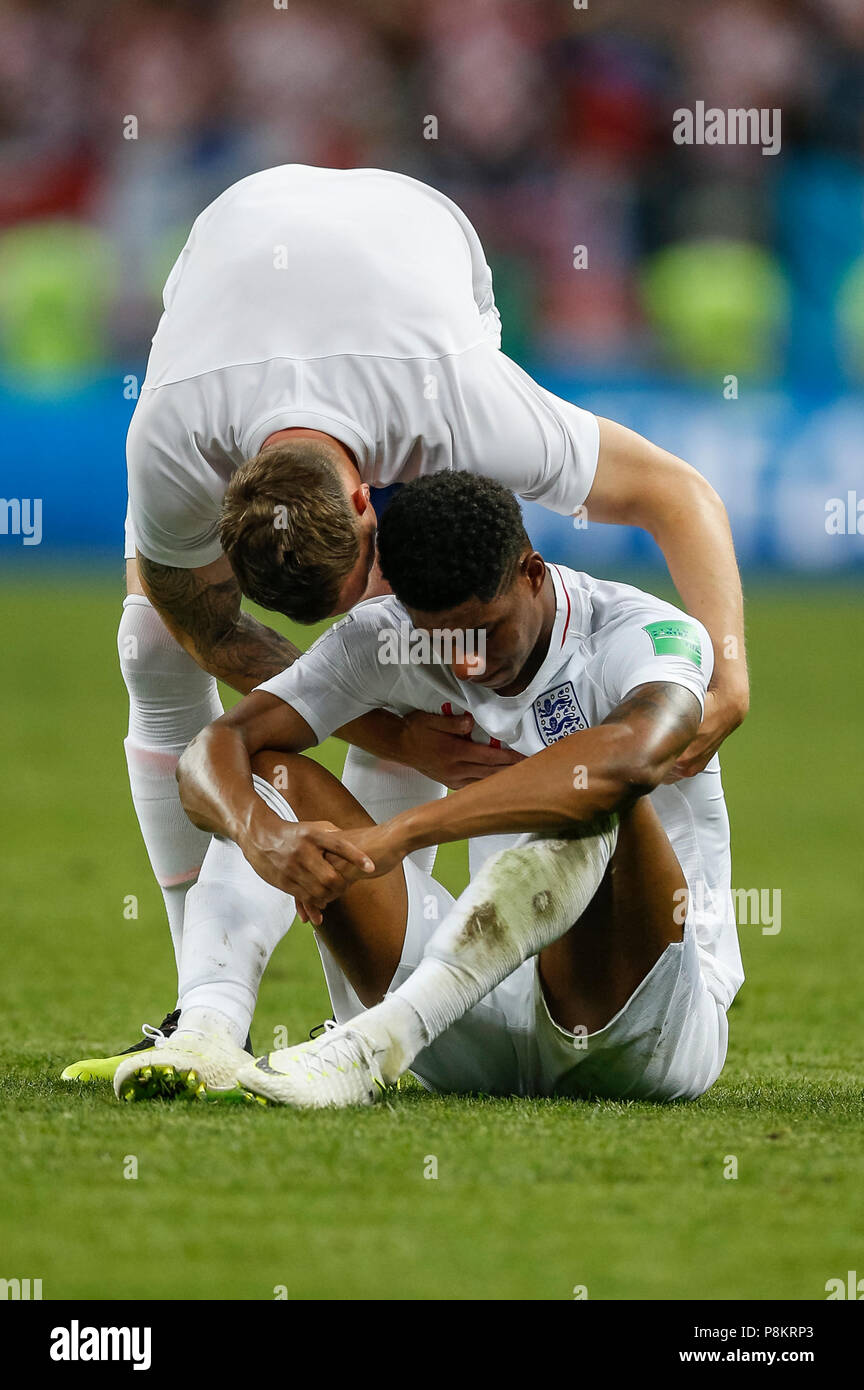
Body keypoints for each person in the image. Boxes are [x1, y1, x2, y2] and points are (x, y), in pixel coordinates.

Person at [66, 163, 747, 1081]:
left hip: (415, 256)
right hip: (226, 265)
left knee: (418, 619)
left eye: (359, 579)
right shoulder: (173, 439)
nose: (361, 623)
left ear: (365, 497)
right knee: (151, 641)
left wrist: (730, 669)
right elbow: (208, 639)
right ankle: (204, 1013)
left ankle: (379, 1012)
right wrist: (383, 725)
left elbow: (675, 491)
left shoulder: (458, 403)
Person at [113, 473, 743, 1108]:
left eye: (487, 630)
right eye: (444, 641)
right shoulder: (386, 636)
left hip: (639, 1028)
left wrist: (405, 833)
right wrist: (262, 834)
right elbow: (212, 752)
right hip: (472, 1021)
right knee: (271, 771)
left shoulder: (641, 633)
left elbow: (631, 757)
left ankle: (369, 1045)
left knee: (600, 793)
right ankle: (208, 1031)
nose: (468, 664)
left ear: (531, 571)